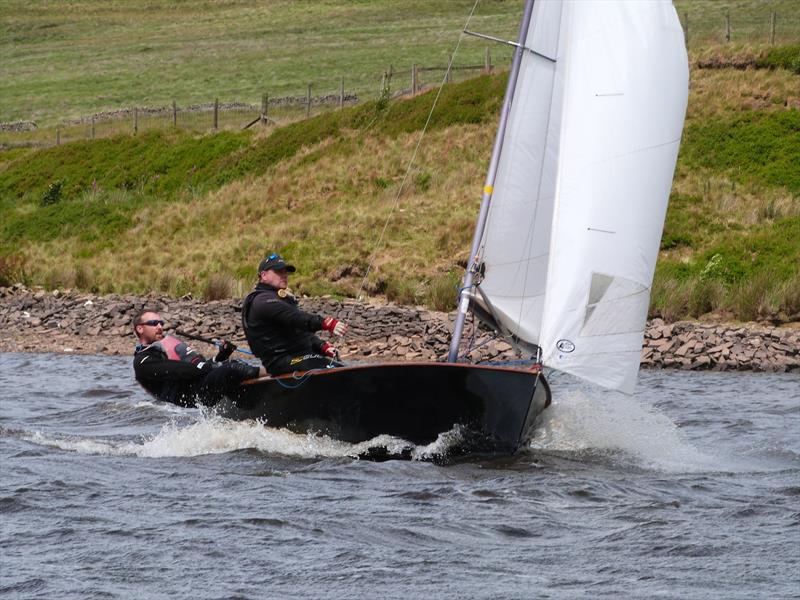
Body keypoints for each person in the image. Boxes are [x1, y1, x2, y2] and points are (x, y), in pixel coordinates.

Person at [242, 252, 348, 375]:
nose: (284, 275)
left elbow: (299, 332)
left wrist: (322, 346)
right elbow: (296, 318)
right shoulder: (262, 301)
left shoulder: (280, 298)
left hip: (296, 357)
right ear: (264, 275)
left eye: (285, 271)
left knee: (333, 364)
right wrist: (325, 323)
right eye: (278, 272)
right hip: (279, 362)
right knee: (318, 364)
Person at [133, 309, 264, 407]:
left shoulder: (166, 349)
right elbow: (178, 370)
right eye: (154, 323)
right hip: (193, 397)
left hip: (199, 386)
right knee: (231, 369)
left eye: (161, 323)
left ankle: (252, 396)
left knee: (232, 364)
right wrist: (211, 367)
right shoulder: (142, 361)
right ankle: (273, 370)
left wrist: (220, 357)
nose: (160, 327)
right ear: (140, 328)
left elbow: (201, 366)